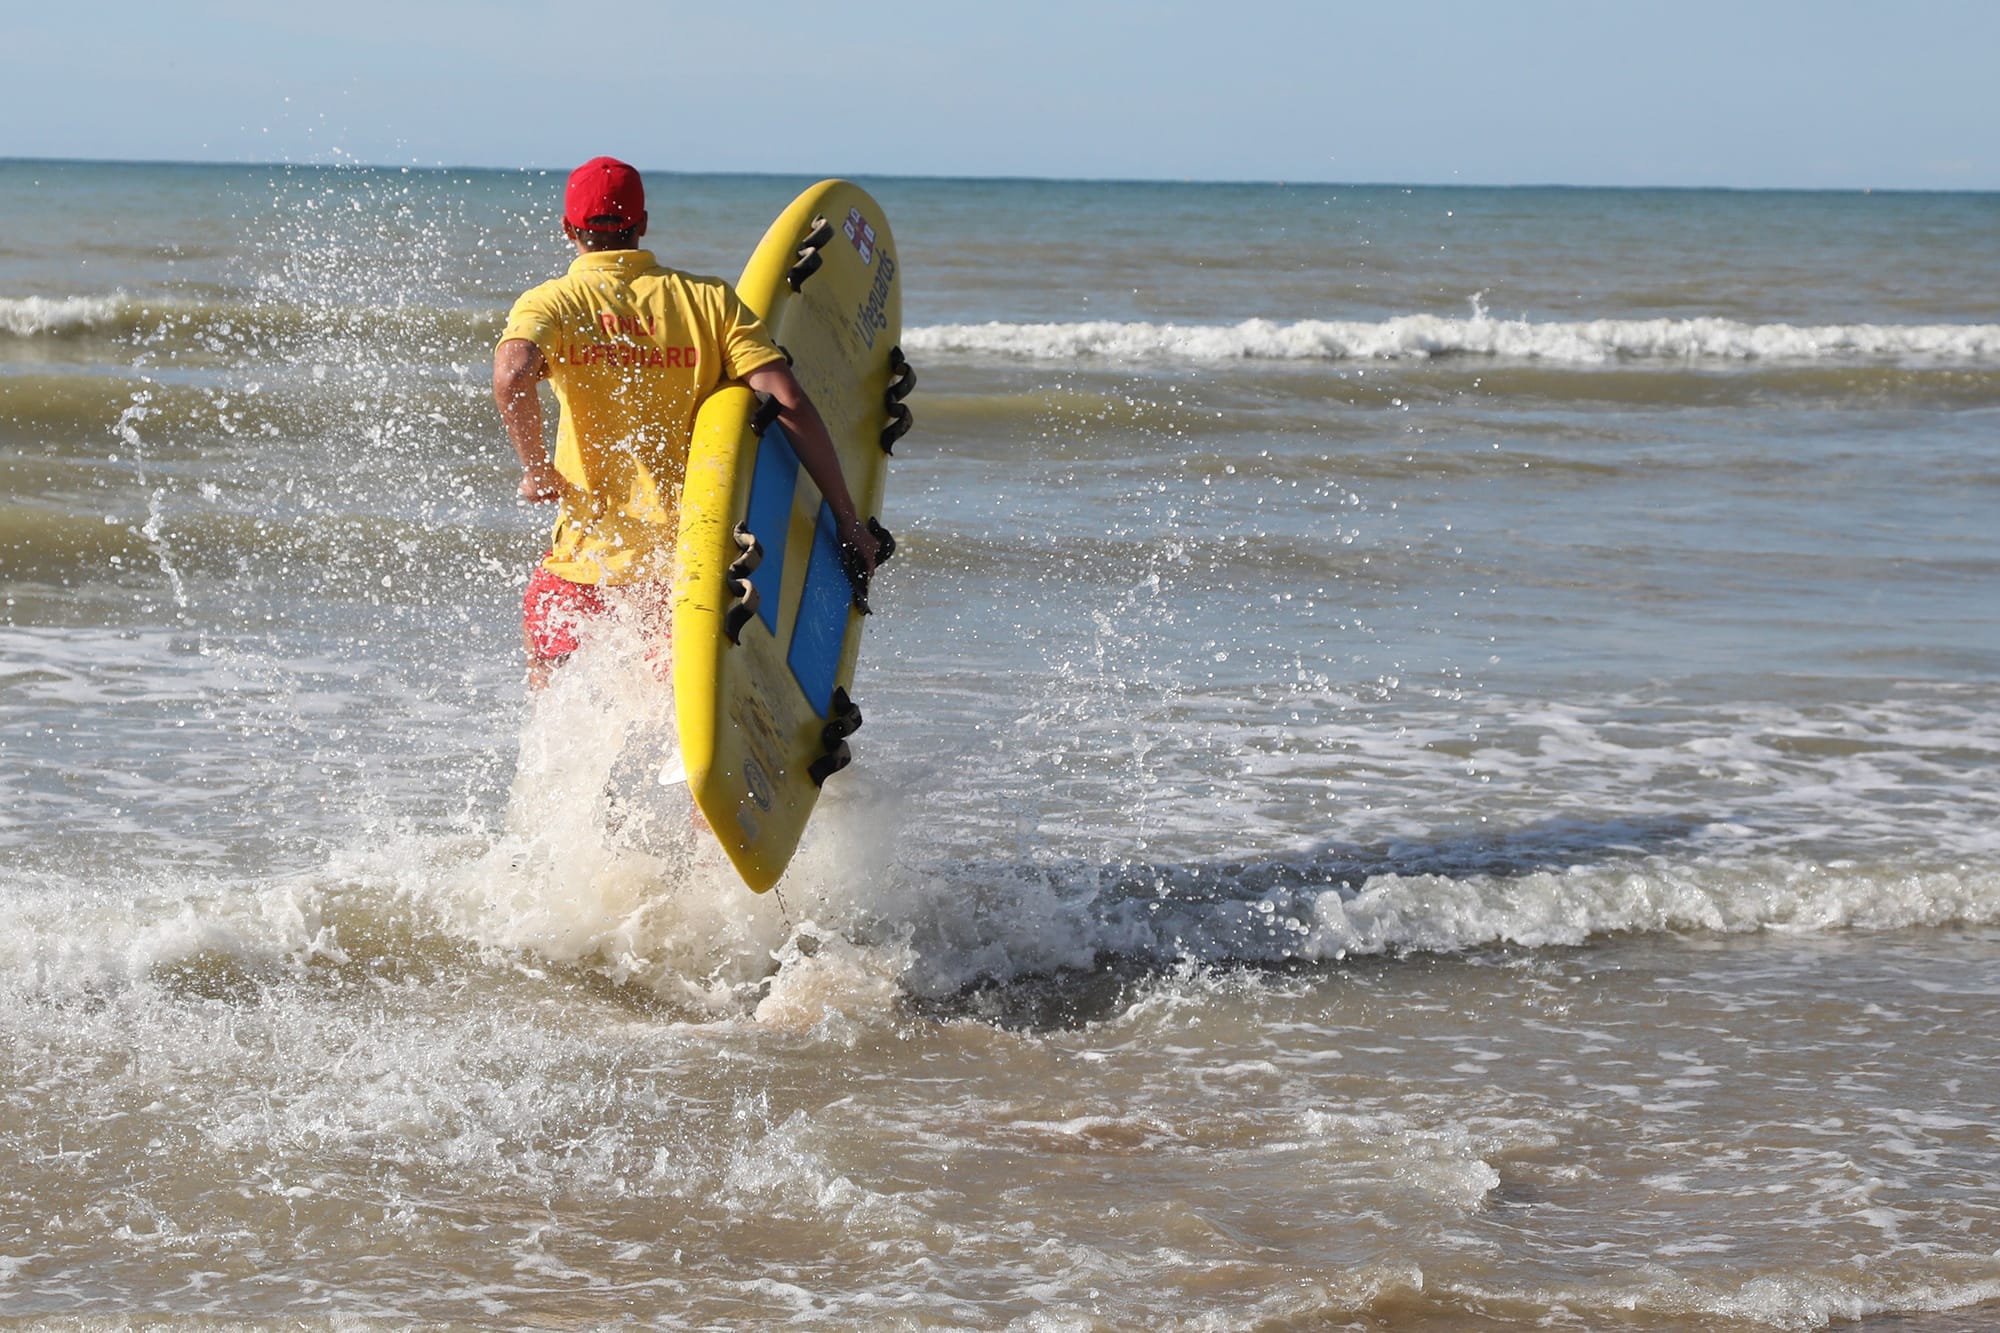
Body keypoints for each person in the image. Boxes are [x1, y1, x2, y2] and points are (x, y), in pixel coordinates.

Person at [494, 156, 877, 686]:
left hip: (585, 560)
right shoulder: (708, 300)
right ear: (643, 223)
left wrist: (537, 468)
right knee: (670, 698)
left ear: (567, 229)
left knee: (549, 674)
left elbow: (512, 375)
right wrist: (847, 519)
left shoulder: (553, 303)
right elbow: (787, 400)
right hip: (686, 563)